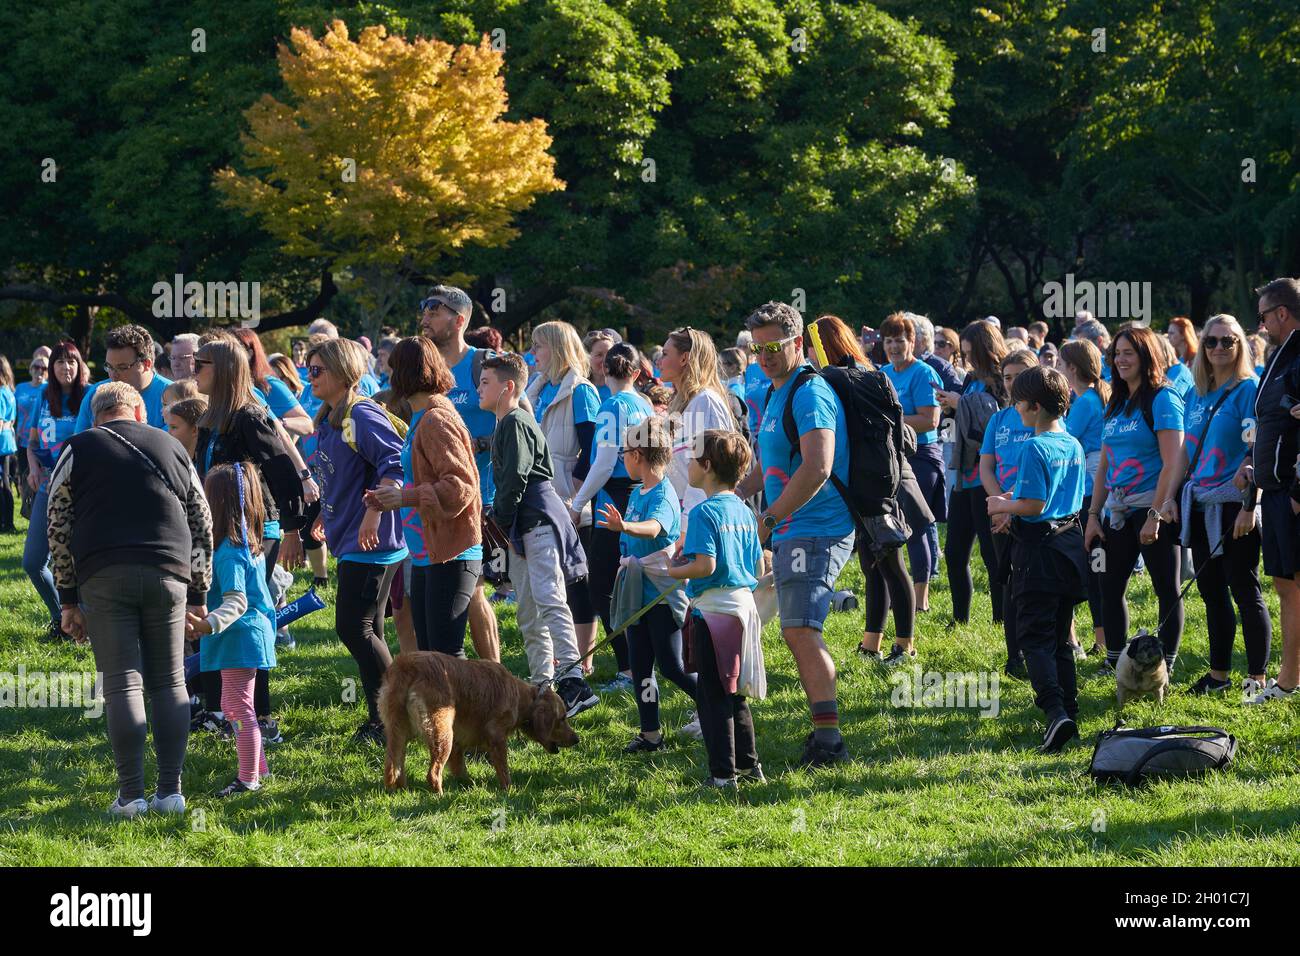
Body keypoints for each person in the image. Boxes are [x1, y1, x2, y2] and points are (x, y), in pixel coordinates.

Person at [47, 381, 214, 817]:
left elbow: (57, 524)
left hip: (103, 574)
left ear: (97, 414)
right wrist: (199, 592)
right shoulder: (172, 445)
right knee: (170, 681)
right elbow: (201, 519)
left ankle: (131, 795)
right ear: (139, 412)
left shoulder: (77, 448)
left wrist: (67, 599)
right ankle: (171, 793)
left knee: (122, 682)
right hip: (170, 573)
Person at [738, 301, 853, 765]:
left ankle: (830, 741)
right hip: (791, 525)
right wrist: (730, 499)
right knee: (795, 629)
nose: (764, 356)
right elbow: (768, 465)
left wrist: (769, 519)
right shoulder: (774, 392)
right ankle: (824, 734)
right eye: (757, 348)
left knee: (801, 629)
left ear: (798, 344)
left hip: (817, 527)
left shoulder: (810, 392)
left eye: (774, 347)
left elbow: (818, 466)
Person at [193, 336, 306, 743]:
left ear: (221, 369)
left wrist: (295, 530)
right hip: (221, 530)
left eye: (199, 364)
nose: (193, 371)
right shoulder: (212, 417)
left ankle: (261, 719)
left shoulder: (250, 416)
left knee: (244, 621)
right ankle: (226, 712)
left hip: (257, 532)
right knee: (224, 619)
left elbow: (284, 474)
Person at [479, 352, 599, 717]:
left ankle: (574, 682)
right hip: (521, 523)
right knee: (529, 611)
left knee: (549, 599)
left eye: (486, 382)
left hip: (537, 519)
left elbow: (515, 478)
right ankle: (543, 688)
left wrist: (497, 519)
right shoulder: (506, 423)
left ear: (508, 387)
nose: (479, 388)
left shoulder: (516, 420)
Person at [1161, 314, 1269, 697]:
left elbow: (1256, 451)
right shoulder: (1196, 393)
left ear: (1241, 345)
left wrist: (1247, 505)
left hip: (1235, 504)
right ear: (1202, 346)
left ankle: (1258, 678)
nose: (1219, 348)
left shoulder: (1250, 389)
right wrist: (1169, 499)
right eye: (1212, 341)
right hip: (1199, 502)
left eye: (1228, 341)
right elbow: (1185, 454)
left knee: (1244, 588)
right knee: (1210, 592)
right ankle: (1219, 674)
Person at [307, 338, 408, 743]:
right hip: (351, 536)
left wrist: (372, 513)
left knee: (354, 627)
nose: (310, 377)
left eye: (318, 370)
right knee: (371, 630)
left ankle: (393, 717)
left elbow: (395, 463)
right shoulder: (332, 416)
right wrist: (321, 513)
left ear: (344, 372)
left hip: (372, 540)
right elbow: (340, 475)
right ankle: (381, 719)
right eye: (309, 369)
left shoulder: (361, 414)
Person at [987, 367, 1087, 753]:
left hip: (1039, 552)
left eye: (1018, 402)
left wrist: (1002, 504)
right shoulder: (1073, 444)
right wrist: (1017, 500)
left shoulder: (1033, 446)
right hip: (1070, 546)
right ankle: (1071, 713)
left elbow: (1034, 505)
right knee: (1061, 636)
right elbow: (1059, 496)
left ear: (1034, 406)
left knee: (1034, 638)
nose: (1015, 408)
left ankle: (1054, 711)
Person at [809, 316, 920, 664]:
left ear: (822, 347)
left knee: (889, 562)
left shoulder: (831, 378)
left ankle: (905, 645)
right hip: (884, 474)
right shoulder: (874, 375)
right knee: (875, 562)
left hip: (864, 481)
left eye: (811, 348)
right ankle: (871, 644)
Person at [364, 337, 482, 657]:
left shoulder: (436, 419)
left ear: (405, 373)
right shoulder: (420, 416)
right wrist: (395, 495)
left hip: (452, 552)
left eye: (393, 368)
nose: (389, 376)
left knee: (444, 656)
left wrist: (405, 499)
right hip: (427, 552)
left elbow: (461, 486)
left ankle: (466, 708)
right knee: (430, 653)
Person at [1085, 325, 1186, 675]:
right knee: (1108, 586)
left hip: (1152, 508)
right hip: (1116, 510)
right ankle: (1115, 660)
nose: (1120, 359)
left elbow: (1173, 463)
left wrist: (1155, 515)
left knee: (1165, 589)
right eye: (1116, 353)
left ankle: (1165, 666)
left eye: (1129, 352)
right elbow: (1104, 465)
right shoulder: (1115, 402)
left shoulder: (1163, 398)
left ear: (1147, 356)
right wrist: (1094, 514)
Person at [666, 429, 764, 787]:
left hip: (713, 611)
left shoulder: (705, 511)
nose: (688, 465)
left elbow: (705, 565)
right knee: (734, 693)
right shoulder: (743, 509)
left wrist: (674, 570)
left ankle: (723, 775)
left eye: (692, 459)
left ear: (706, 466)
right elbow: (758, 569)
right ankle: (750, 768)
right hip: (742, 608)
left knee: (711, 695)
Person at [599, 415, 698, 752]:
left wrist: (624, 527)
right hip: (637, 592)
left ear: (638, 454)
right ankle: (651, 734)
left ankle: (715, 702)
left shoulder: (664, 493)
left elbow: (655, 528)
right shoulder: (639, 491)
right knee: (640, 667)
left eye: (625, 452)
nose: (623, 458)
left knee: (672, 667)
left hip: (661, 594)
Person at [569, 344, 658, 695]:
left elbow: (604, 463)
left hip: (614, 501)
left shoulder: (611, 407)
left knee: (603, 587)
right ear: (637, 372)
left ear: (604, 371)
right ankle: (642, 664)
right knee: (632, 583)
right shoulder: (645, 403)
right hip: (641, 494)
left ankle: (629, 669)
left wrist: (577, 505)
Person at [419, 284, 500, 663]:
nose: (425, 318)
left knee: (475, 590)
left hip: (483, 497)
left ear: (459, 320)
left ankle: (493, 675)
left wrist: (478, 445)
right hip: (435, 501)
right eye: (424, 310)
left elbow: (520, 421)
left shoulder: (484, 363)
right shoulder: (426, 366)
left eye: (434, 310)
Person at [187, 462, 276, 797]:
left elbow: (236, 602)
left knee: (237, 709)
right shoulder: (246, 544)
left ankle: (247, 779)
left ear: (217, 504)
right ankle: (259, 770)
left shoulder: (228, 553)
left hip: (241, 636)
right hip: (241, 638)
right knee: (238, 705)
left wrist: (208, 624)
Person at [526, 322, 604, 682]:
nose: (534, 353)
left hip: (572, 502)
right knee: (551, 582)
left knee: (576, 582)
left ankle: (583, 662)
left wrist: (575, 489)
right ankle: (560, 657)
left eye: (539, 346)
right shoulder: (538, 389)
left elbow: (592, 447)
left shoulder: (581, 391)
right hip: (544, 498)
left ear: (557, 348)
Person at [1236, 277, 1300, 702]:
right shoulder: (1283, 354)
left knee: (1293, 586)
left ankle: (1289, 683)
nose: (1259, 325)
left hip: (1291, 494)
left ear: (1281, 312)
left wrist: (1298, 490)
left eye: (1262, 316)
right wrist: (1253, 466)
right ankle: (1289, 678)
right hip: (1273, 488)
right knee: (1284, 585)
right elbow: (1275, 423)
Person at [879, 313, 945, 614]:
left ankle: (921, 599)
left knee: (916, 524)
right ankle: (900, 591)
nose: (894, 346)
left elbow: (930, 419)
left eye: (900, 340)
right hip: (894, 456)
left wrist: (890, 421)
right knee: (897, 526)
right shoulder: (883, 373)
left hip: (922, 455)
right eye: (889, 340)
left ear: (913, 342)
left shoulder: (923, 373)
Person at [980, 349, 1039, 676]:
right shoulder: (998, 419)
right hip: (1001, 513)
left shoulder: (1044, 417)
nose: (1013, 383)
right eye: (1007, 377)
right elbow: (986, 465)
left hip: (1034, 509)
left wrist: (1012, 503)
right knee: (1009, 583)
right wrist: (999, 504)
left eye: (1020, 375)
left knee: (1037, 584)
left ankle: (1050, 647)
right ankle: (1014, 656)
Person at [25, 339, 89, 640]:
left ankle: (84, 625)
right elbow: (33, 442)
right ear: (52, 367)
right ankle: (61, 620)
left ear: (80, 366)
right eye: (60, 362)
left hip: (80, 490)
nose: (66, 367)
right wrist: (34, 467)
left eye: (72, 361)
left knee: (78, 562)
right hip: (47, 486)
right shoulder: (43, 395)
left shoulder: (89, 395)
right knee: (32, 562)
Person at [945, 320, 1006, 625]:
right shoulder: (970, 379)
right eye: (964, 354)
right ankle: (960, 619)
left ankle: (1001, 618)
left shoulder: (1001, 380)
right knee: (954, 552)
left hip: (989, 478)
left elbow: (997, 420)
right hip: (964, 475)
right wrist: (953, 406)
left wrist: (962, 403)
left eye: (973, 354)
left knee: (992, 555)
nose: (968, 360)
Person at [660, 328, 738, 536]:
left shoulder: (706, 402)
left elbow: (710, 471)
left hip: (703, 523)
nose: (659, 360)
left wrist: (686, 530)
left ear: (684, 358)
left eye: (666, 354)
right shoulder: (684, 403)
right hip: (683, 519)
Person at [1059, 339, 1109, 654]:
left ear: (1073, 368)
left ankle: (1103, 642)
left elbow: (1063, 438)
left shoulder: (1087, 402)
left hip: (1090, 492)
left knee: (1095, 570)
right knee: (1097, 568)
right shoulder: (1093, 397)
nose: (1059, 371)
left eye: (1061, 365)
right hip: (1095, 489)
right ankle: (1102, 640)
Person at [75, 325, 173, 434]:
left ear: (146, 364)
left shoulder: (174, 396)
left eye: (122, 367)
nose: (113, 375)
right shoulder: (95, 394)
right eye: (109, 367)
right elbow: (79, 444)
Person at [233, 328, 313, 437]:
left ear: (250, 353)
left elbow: (307, 424)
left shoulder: (269, 385)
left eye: (232, 350)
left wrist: (278, 423)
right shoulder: (225, 386)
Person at [14, 348, 49, 496]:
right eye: (36, 366)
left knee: (41, 479)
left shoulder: (49, 389)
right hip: (23, 441)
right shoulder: (21, 388)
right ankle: (27, 509)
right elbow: (13, 412)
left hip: (42, 442)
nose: (39, 370)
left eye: (44, 368)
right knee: (24, 477)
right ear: (30, 369)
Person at [0, 357, 16, 533]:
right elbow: (11, 420)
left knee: (4, 483)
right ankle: (8, 522)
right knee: (6, 482)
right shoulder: (9, 392)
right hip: (8, 442)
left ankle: (6, 522)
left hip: (1, 443)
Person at [584, 328, 619, 403]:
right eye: (599, 355)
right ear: (587, 357)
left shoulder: (622, 386)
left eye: (609, 353)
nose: (606, 360)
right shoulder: (580, 388)